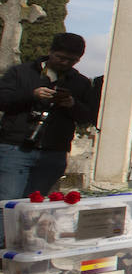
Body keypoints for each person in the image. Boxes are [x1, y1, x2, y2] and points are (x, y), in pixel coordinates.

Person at [0, 32, 96, 200]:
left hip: (54, 152)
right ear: (50, 51)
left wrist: (72, 104)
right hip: (16, 147)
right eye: (60, 57)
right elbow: (3, 100)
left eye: (72, 60)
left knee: (36, 204)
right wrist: (32, 95)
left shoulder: (80, 82)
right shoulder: (21, 73)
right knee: (9, 202)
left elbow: (87, 117)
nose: (65, 63)